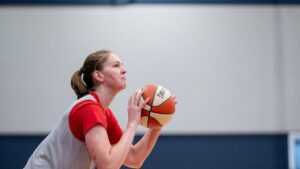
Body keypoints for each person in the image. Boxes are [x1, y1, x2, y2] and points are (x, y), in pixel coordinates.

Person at [24, 49, 176, 169]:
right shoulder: (89, 108)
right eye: (116, 65)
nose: (124, 70)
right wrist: (132, 124)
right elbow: (108, 164)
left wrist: (158, 122)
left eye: (122, 65)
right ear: (99, 76)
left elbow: (134, 159)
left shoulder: (103, 112)